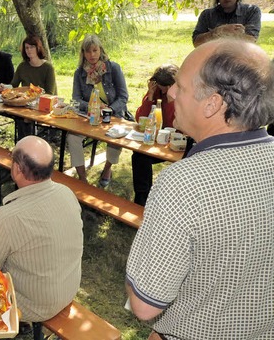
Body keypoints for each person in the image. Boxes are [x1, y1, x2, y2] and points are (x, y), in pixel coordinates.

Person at [126, 39, 274, 339]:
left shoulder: (183, 184)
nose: (170, 92)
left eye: (180, 85)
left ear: (213, 104)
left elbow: (144, 305)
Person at [0, 135, 82, 324]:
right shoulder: (67, 193)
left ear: (16, 169)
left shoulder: (8, 217)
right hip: (68, 289)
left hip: (35, 306)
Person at [67, 34, 128, 186]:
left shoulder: (113, 68)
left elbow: (123, 97)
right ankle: (82, 178)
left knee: (116, 137)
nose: (92, 55)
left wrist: (109, 109)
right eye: (88, 52)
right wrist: (92, 106)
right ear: (83, 53)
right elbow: (76, 98)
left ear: (100, 50)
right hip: (89, 116)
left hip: (112, 115)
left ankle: (107, 168)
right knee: (72, 137)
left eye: (95, 50)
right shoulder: (79, 73)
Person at [131, 64, 178, 206]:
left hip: (174, 141)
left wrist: (171, 102)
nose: (164, 89)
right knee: (139, 156)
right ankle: (142, 197)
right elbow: (140, 119)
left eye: (167, 86)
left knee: (142, 156)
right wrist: (150, 97)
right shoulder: (156, 91)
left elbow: (174, 125)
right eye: (161, 85)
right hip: (155, 137)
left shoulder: (181, 93)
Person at [192, 0, 261, 47]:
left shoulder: (251, 11)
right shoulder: (207, 14)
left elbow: (251, 40)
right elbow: (196, 43)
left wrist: (227, 33)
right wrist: (217, 31)